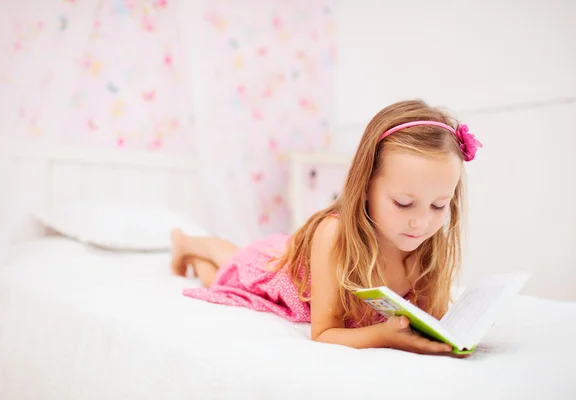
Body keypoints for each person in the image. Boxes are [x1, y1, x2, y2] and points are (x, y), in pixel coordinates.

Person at [170, 99, 482, 356]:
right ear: (365, 185)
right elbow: (323, 333)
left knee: (214, 277)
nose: (421, 221)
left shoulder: (426, 240)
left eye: (439, 205)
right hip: (281, 272)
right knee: (233, 268)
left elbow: (431, 320)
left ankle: (197, 259)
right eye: (403, 202)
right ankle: (190, 243)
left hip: (299, 260)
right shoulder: (333, 236)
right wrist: (385, 336)